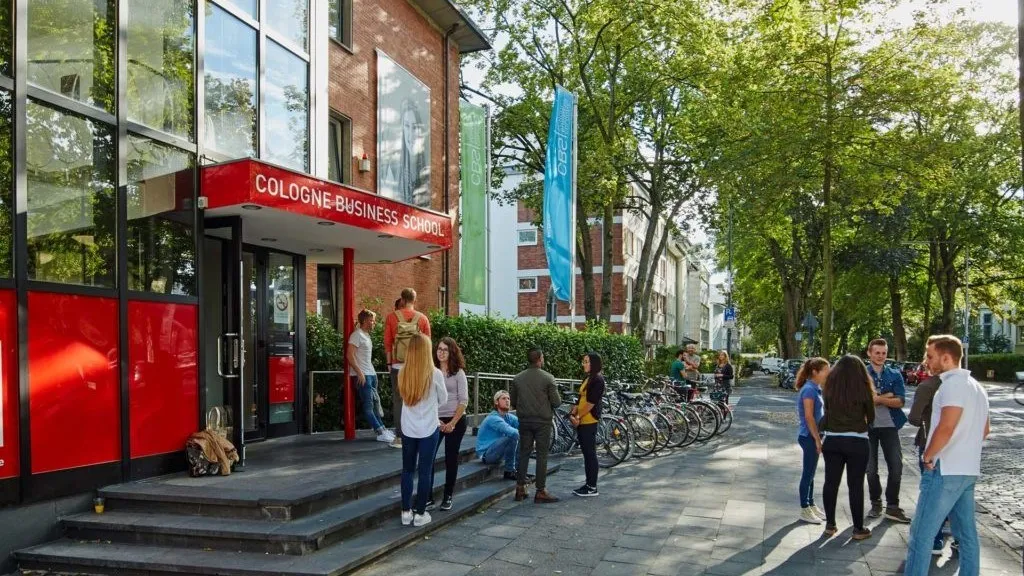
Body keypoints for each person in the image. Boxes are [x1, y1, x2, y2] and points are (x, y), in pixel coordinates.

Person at [905, 335, 990, 576]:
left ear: (946, 357)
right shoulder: (977, 387)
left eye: (930, 356)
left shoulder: (952, 385)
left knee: (921, 535)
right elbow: (985, 430)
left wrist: (928, 455)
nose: (926, 361)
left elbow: (946, 426)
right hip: (967, 469)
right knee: (967, 536)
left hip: (945, 468)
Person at [820, 355, 875, 540]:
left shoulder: (829, 388)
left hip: (832, 440)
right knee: (856, 485)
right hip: (857, 440)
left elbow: (826, 411)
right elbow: (871, 417)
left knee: (830, 482)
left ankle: (830, 525)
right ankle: (858, 528)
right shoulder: (863, 389)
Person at [908, 353, 957, 555]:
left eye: (928, 358)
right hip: (956, 446)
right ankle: (958, 537)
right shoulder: (962, 385)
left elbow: (914, 417)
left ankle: (934, 539)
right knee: (955, 493)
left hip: (931, 443)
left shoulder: (927, 386)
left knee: (932, 493)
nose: (925, 362)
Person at [397, 333, 447, 528]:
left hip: (408, 427)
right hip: (429, 427)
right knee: (425, 471)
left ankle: (405, 512)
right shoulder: (435, 374)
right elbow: (443, 399)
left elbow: (403, 396)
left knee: (407, 470)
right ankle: (420, 514)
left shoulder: (402, 372)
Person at [864, 339, 911, 523]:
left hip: (890, 426)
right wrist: (888, 396)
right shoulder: (862, 374)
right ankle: (876, 504)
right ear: (869, 353)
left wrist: (878, 399)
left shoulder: (894, 374)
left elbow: (900, 401)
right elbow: (860, 401)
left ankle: (892, 506)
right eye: (877, 352)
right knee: (870, 469)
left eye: (884, 353)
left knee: (896, 466)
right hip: (868, 427)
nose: (881, 356)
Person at [510, 348, 561, 504]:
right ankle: (540, 491)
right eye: (543, 357)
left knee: (524, 453)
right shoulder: (548, 378)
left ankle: (520, 488)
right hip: (543, 421)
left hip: (524, 420)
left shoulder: (518, 378)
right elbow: (556, 402)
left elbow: (513, 401)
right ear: (539, 358)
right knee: (541, 455)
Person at [384, 288, 432, 448]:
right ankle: (417, 434)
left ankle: (399, 437)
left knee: (398, 401)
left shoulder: (392, 317)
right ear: (414, 300)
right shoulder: (422, 319)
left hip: (397, 366)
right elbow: (427, 345)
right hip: (417, 367)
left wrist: (389, 364)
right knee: (417, 399)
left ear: (402, 300)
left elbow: (388, 343)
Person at [429, 337, 469, 512]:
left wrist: (452, 422)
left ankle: (448, 496)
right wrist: (436, 420)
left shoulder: (458, 373)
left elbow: (464, 400)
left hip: (456, 420)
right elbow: (427, 398)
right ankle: (428, 497)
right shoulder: (431, 371)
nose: (441, 352)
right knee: (428, 458)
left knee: (451, 459)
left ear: (452, 352)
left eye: (445, 349)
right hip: (435, 420)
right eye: (439, 349)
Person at [347, 309, 395, 444]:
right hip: (363, 375)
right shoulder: (357, 335)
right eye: (371, 320)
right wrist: (359, 372)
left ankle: (383, 429)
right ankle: (380, 432)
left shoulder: (366, 335)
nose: (374, 323)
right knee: (368, 406)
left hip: (370, 374)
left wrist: (372, 374)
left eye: (373, 320)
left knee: (374, 405)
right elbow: (349, 355)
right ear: (364, 321)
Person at [795, 357, 829, 524]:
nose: (828, 373)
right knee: (808, 473)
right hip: (809, 436)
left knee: (812, 472)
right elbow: (809, 417)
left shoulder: (816, 388)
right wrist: (817, 439)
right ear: (815, 372)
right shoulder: (809, 390)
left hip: (813, 435)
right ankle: (804, 508)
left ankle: (811, 504)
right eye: (825, 371)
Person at [570, 352, 605, 497]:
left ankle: (592, 487)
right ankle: (588, 484)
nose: (583, 364)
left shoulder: (598, 380)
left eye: (586, 361)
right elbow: (581, 398)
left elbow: (591, 403)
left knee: (590, 454)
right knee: (586, 453)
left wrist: (578, 416)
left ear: (594, 363)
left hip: (589, 420)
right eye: (583, 361)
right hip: (582, 420)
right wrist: (574, 411)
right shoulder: (589, 378)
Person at [476, 390, 520, 478]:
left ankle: (518, 470)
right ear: (496, 402)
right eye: (503, 398)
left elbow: (524, 426)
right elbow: (514, 433)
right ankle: (509, 471)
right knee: (513, 436)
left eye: (508, 398)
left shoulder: (509, 417)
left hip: (499, 452)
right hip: (487, 455)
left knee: (523, 435)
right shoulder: (493, 418)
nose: (507, 401)